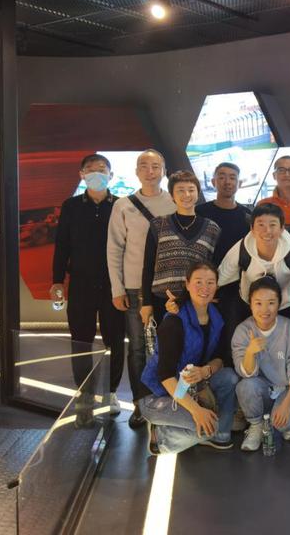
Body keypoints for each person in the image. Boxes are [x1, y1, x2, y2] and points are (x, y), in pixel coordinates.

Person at [139, 261, 239, 454]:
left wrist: (205, 370)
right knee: (209, 425)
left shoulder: (216, 318)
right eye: (198, 282)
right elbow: (165, 376)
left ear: (217, 286)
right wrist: (196, 411)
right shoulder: (174, 321)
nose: (204, 288)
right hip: (158, 394)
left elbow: (220, 358)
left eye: (210, 282)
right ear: (187, 284)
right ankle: (160, 436)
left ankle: (212, 432)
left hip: (189, 387)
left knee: (229, 377)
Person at [51, 154, 125, 417]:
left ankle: (111, 392)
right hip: (80, 284)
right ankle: (84, 393)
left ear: (111, 175)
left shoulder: (121, 205)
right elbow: (62, 245)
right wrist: (57, 280)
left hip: (114, 285)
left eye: (102, 169)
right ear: (81, 175)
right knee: (81, 339)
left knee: (115, 339)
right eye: (90, 169)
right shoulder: (71, 206)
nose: (96, 174)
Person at [107, 149, 176, 429]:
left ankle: (168, 401)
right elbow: (114, 248)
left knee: (169, 346)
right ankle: (140, 403)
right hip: (134, 288)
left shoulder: (174, 201)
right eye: (144, 166)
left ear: (164, 170)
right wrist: (117, 288)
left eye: (155, 166)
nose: (150, 171)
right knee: (137, 348)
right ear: (136, 171)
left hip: (168, 289)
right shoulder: (123, 205)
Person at [232, 277, 290, 450]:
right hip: (263, 389)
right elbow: (246, 373)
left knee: (283, 424)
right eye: (258, 303)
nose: (264, 310)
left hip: (289, 389)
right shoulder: (243, 331)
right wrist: (250, 352)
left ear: (279, 304)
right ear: (250, 304)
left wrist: (286, 405)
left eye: (271, 303)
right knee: (245, 386)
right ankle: (256, 425)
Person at [141, 170, 220, 326]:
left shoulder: (212, 229)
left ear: (198, 193)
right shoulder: (158, 225)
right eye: (180, 190)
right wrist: (146, 303)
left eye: (191, 190)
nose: (186, 195)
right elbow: (148, 265)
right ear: (172, 195)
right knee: (166, 341)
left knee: (195, 340)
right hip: (162, 300)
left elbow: (214, 267)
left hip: (197, 300)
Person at [195, 162, 251, 265]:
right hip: (206, 270)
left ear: (239, 183)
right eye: (221, 177)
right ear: (213, 182)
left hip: (238, 270)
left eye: (232, 178)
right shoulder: (199, 212)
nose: (227, 182)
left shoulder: (247, 215)